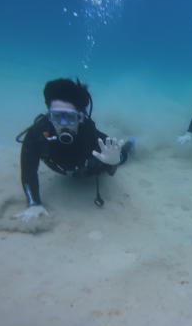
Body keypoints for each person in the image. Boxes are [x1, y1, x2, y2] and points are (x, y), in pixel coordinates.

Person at [14, 78, 134, 222]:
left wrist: (116, 160)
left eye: (71, 117)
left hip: (90, 169)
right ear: (48, 114)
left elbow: (119, 155)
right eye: (55, 116)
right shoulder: (37, 134)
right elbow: (28, 170)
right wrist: (34, 204)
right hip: (61, 166)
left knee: (115, 156)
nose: (63, 123)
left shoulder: (91, 135)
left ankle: (131, 142)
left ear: (81, 117)